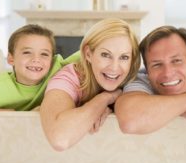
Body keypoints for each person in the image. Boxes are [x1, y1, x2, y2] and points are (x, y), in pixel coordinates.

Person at [39, 18, 141, 151]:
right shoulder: (69, 77)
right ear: (88, 54)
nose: (114, 68)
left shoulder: (134, 77)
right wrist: (105, 98)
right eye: (105, 55)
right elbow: (60, 139)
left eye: (124, 57)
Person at [0, 24, 78, 111]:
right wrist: (4, 112)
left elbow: (89, 49)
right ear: (11, 59)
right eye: (27, 52)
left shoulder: (58, 69)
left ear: (51, 60)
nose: (36, 59)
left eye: (44, 54)